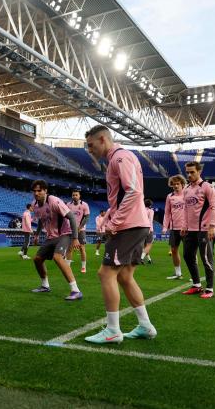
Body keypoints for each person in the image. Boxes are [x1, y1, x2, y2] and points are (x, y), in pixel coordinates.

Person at [84, 125, 156, 344]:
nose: (89, 150)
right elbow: (121, 197)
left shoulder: (120, 158)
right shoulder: (120, 158)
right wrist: (107, 220)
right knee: (124, 276)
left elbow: (133, 192)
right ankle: (145, 326)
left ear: (103, 139)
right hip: (136, 224)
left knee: (106, 274)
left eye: (91, 145)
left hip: (129, 226)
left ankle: (113, 331)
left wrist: (114, 222)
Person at [29, 180, 82, 300]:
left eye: (39, 190)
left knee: (57, 257)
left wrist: (75, 238)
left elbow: (72, 217)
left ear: (45, 191)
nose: (36, 193)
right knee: (37, 259)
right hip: (51, 237)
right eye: (34, 191)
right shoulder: (35, 205)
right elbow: (41, 221)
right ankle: (45, 285)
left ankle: (76, 290)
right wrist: (37, 235)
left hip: (64, 234)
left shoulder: (53, 201)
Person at [181, 161, 215, 299]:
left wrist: (212, 226)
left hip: (204, 229)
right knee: (187, 256)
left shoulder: (207, 187)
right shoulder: (186, 189)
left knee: (206, 259)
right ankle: (197, 285)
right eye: (187, 172)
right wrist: (184, 225)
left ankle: (209, 289)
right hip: (190, 230)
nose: (189, 175)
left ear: (199, 172)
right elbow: (185, 209)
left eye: (192, 172)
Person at [162, 175, 186, 280]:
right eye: (174, 184)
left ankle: (194, 276)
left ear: (182, 184)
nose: (176, 186)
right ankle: (178, 273)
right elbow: (167, 213)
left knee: (190, 252)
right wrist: (164, 227)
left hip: (187, 228)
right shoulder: (170, 196)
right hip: (174, 228)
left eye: (178, 184)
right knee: (174, 250)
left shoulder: (187, 194)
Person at [66, 190, 90, 273]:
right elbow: (66, 217)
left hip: (81, 229)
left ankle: (83, 267)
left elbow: (86, 217)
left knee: (82, 248)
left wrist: (80, 227)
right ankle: (67, 267)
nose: (74, 196)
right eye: (73, 195)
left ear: (79, 196)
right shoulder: (68, 205)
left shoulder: (84, 204)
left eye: (76, 195)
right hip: (70, 229)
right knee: (69, 248)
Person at [141, 199, 155, 264]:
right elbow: (150, 220)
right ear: (150, 205)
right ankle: (141, 258)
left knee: (145, 246)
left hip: (141, 229)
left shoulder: (141, 210)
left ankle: (149, 259)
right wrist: (149, 229)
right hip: (149, 229)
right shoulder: (151, 211)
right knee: (149, 245)